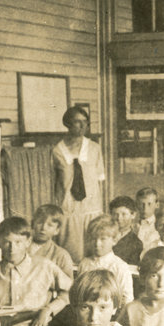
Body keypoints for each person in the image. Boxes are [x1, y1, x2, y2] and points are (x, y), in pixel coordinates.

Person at [53, 106, 105, 263]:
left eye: (85, 122)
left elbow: (100, 181)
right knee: (71, 257)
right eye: (77, 122)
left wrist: (101, 211)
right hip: (69, 212)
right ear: (68, 123)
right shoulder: (56, 151)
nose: (82, 126)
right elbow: (55, 185)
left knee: (95, 257)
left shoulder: (95, 148)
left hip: (92, 211)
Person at [76, 214, 133, 305]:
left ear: (114, 240)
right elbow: (78, 293)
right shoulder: (85, 264)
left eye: (103, 239)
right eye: (94, 238)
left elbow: (127, 299)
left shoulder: (120, 266)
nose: (97, 243)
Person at [29, 204, 76, 278]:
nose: (43, 228)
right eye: (40, 222)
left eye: (50, 225)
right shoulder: (20, 247)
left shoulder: (61, 255)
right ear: (32, 224)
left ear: (57, 230)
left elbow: (68, 286)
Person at [109, 195, 143, 265]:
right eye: (115, 214)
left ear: (133, 215)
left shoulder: (136, 243)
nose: (119, 218)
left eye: (124, 214)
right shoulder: (105, 235)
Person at [135, 187, 162, 252]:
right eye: (142, 204)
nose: (145, 208)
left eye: (149, 204)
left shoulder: (160, 226)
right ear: (136, 205)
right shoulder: (132, 224)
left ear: (157, 205)